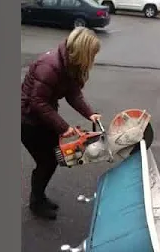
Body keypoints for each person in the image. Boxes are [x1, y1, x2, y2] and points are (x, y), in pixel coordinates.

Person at [21, 27, 102, 220]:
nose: (92, 59)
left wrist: (90, 114)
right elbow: (37, 102)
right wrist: (64, 127)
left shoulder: (68, 64)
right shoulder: (50, 66)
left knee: (52, 160)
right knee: (46, 161)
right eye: (92, 54)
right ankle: (36, 203)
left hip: (43, 116)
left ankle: (39, 197)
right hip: (27, 119)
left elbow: (73, 94)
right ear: (82, 51)